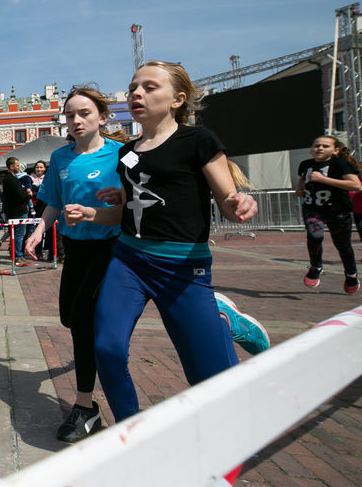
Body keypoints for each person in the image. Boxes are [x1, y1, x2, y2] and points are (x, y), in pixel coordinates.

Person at [70, 61, 260, 422]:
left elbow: (227, 200)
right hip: (128, 261)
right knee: (107, 348)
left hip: (183, 268)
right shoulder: (126, 152)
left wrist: (238, 204)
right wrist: (93, 212)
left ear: (178, 99)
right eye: (133, 87)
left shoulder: (198, 140)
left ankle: (224, 321)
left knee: (210, 378)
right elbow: (131, 212)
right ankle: (131, 433)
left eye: (150, 87)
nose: (137, 93)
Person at [23, 88, 124, 442]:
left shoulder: (121, 155)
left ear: (102, 117)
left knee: (83, 318)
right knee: (69, 316)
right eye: (70, 115)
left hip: (111, 247)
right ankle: (97, 346)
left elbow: (139, 200)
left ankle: (85, 407)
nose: (76, 121)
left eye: (84, 113)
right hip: (75, 249)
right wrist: (38, 231)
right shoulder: (60, 159)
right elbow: (52, 202)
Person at [295, 135, 362, 293]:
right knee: (314, 236)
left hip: (338, 210)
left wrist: (324, 180)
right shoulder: (305, 164)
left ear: (335, 150)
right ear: (311, 150)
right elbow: (302, 180)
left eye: (325, 146)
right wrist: (300, 188)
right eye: (317, 145)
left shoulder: (340, 164)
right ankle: (316, 266)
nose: (320, 148)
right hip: (313, 208)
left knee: (343, 245)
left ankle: (351, 274)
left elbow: (356, 185)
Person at [0, 158, 32, 263]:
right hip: (18, 211)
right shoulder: (10, 179)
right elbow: (21, 195)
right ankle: (18, 256)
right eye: (17, 165)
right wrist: (29, 194)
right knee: (19, 234)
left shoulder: (11, 178)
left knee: (16, 234)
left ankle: (17, 255)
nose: (19, 167)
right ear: (11, 167)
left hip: (15, 211)